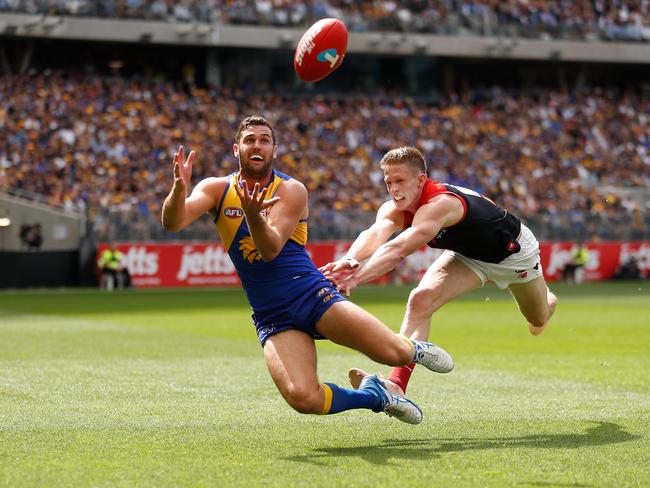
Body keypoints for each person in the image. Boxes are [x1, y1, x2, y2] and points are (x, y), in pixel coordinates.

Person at [160, 116, 454, 425]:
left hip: (311, 295)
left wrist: (252, 215)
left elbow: (270, 248)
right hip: (271, 312)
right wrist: (179, 190)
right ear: (237, 149)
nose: (256, 145)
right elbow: (173, 222)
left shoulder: (291, 190)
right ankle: (376, 395)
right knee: (303, 398)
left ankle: (414, 348)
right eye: (249, 140)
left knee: (394, 354)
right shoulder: (216, 189)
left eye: (264, 139)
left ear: (274, 149)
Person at [321, 146, 557, 396]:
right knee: (420, 300)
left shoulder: (440, 204)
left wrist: (356, 277)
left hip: (514, 255)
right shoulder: (394, 208)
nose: (394, 189)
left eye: (400, 180)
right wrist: (350, 259)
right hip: (467, 255)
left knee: (537, 319)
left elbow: (398, 249)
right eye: (388, 182)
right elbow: (376, 233)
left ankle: (548, 300)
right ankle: (396, 386)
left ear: (421, 180)